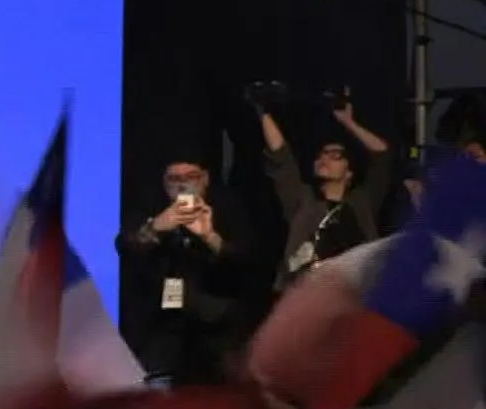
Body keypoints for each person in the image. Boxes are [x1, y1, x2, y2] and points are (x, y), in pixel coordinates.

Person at [114, 156, 255, 385]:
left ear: (205, 179)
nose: (182, 185)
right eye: (174, 179)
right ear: (164, 183)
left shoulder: (227, 210)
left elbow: (245, 263)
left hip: (216, 329)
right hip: (163, 328)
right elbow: (126, 246)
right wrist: (155, 228)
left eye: (191, 177)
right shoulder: (153, 212)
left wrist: (209, 237)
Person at [258, 91, 392, 288]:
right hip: (308, 295)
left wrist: (348, 122)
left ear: (349, 172)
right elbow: (281, 158)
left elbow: (382, 155)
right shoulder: (303, 199)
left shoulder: (362, 202)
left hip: (353, 294)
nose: (324, 159)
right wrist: (263, 111)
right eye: (321, 155)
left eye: (334, 155)